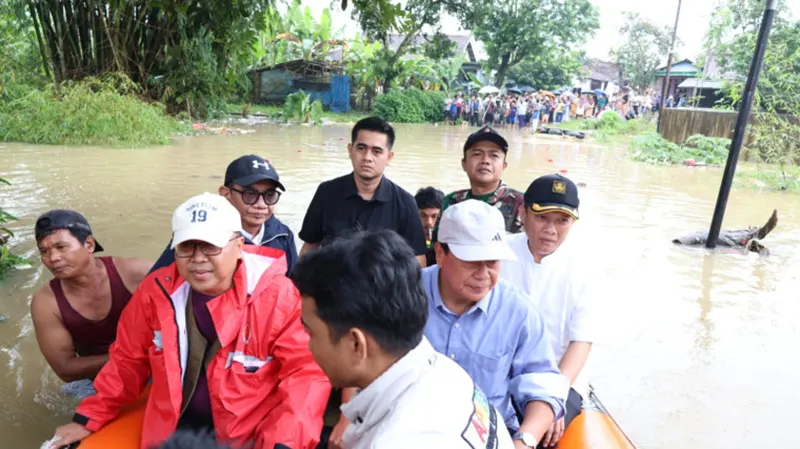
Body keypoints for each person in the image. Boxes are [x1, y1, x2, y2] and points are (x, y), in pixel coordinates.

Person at [50, 193, 331, 449]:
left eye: (209, 247)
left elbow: (305, 374)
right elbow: (127, 361)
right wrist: (87, 418)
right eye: (187, 247)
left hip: (247, 435)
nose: (197, 259)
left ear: (239, 246)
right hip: (171, 428)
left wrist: (283, 442)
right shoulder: (155, 292)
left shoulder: (280, 297)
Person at [291, 230, 515, 449]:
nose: (308, 345)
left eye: (310, 333)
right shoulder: (448, 373)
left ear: (356, 344)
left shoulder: (394, 440)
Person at [422, 200, 568, 449]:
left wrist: (524, 440)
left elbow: (542, 385)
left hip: (486, 436)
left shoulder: (518, 312)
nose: (483, 274)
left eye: (492, 263)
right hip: (413, 430)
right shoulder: (403, 295)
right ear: (440, 254)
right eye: (471, 262)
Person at [500, 174, 596, 447]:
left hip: (559, 375)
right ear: (523, 212)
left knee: (545, 435)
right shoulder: (499, 254)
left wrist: (554, 395)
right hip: (501, 369)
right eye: (542, 217)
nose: (551, 230)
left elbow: (581, 342)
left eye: (562, 221)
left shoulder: (583, 270)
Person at [30, 210, 152, 398]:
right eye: (44, 251)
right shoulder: (46, 302)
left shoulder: (136, 272)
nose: (52, 258)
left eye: (61, 247)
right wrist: (129, 357)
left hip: (153, 366)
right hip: (97, 379)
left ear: (89, 244)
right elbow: (65, 369)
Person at [298, 116, 427, 265]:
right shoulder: (326, 193)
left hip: (382, 286)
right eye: (361, 148)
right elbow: (310, 246)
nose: (367, 157)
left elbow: (417, 259)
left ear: (389, 157)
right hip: (332, 285)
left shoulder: (405, 202)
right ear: (350, 150)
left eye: (377, 151)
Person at [150, 155, 298, 275]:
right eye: (250, 194)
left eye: (270, 195)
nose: (261, 204)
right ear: (225, 193)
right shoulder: (198, 232)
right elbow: (159, 281)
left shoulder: (282, 235)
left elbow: (294, 285)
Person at [426, 126, 524, 265]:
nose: (485, 160)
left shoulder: (521, 203)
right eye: (477, 154)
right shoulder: (452, 202)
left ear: (504, 165)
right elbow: (437, 251)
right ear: (464, 163)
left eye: (494, 155)